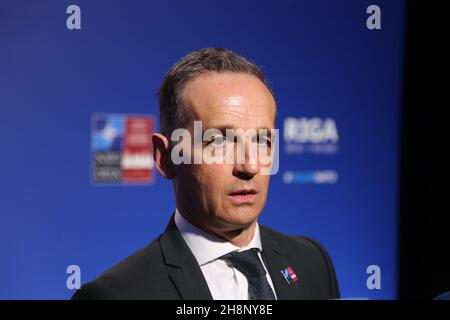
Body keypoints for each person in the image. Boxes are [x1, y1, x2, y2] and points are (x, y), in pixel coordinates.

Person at [72, 48, 340, 300]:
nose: (249, 166)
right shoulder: (116, 296)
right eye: (219, 141)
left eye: (262, 140)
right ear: (165, 158)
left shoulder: (312, 262)